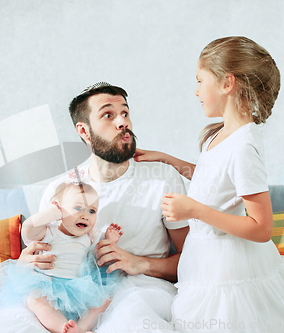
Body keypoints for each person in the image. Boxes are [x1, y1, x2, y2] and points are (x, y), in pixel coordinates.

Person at [133, 36, 284, 333]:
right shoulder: (220, 135)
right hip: (205, 260)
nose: (196, 91)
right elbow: (215, 180)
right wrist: (167, 159)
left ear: (226, 83)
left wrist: (193, 209)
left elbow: (261, 227)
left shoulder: (244, 146)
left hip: (229, 268)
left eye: (200, 80)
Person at [21, 82, 190, 332]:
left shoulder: (162, 178)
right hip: (73, 294)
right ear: (84, 131)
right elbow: (41, 252)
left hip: (142, 291)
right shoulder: (61, 189)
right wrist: (26, 263)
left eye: (125, 113)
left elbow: (193, 261)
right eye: (108, 115)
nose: (123, 122)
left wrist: (139, 263)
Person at [0, 180, 123, 333]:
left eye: (91, 211)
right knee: (35, 300)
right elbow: (28, 229)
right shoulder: (49, 232)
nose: (85, 216)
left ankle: (80, 328)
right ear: (58, 209)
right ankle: (61, 328)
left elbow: (94, 258)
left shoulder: (89, 237)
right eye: (78, 208)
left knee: (103, 300)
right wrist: (51, 213)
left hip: (77, 289)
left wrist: (108, 241)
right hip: (47, 285)